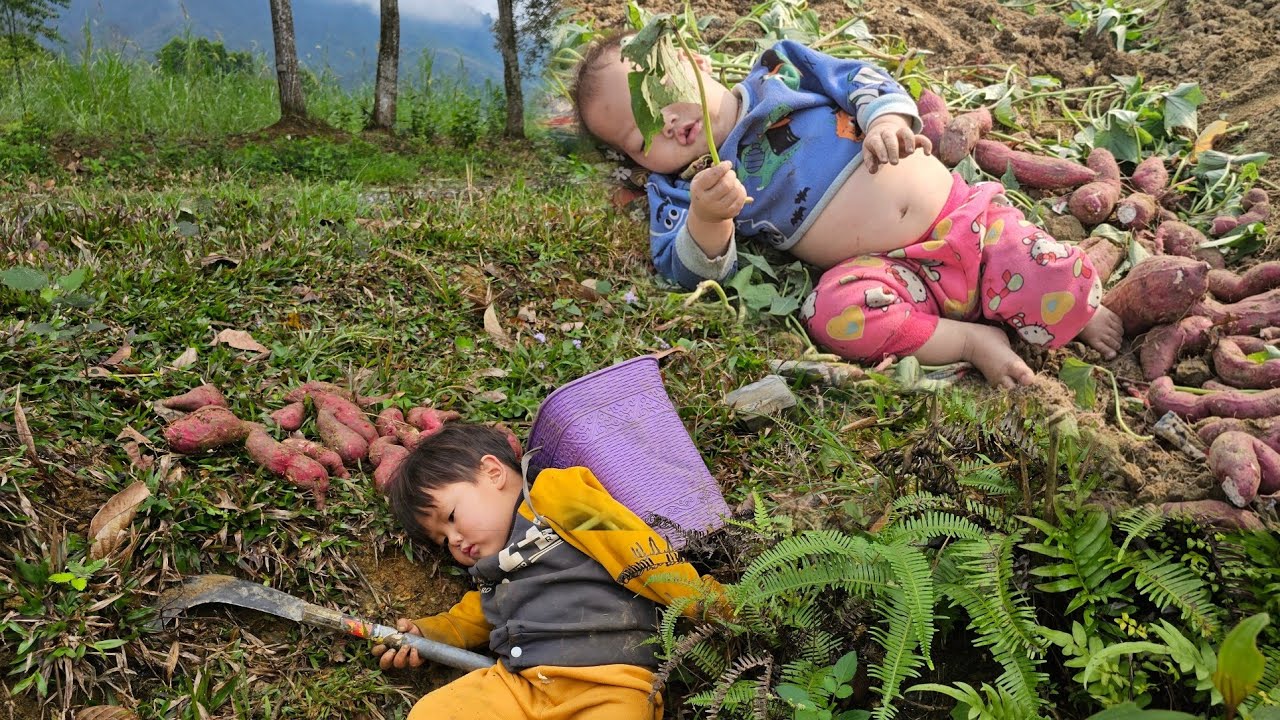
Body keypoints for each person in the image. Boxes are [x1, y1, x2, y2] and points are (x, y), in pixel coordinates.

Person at [571, 33, 1124, 389]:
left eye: (659, 92)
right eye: (640, 135)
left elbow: (861, 79)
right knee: (833, 312)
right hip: (894, 275)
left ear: (694, 61)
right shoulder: (684, 187)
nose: (663, 123)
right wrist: (709, 219)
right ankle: (969, 340)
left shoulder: (779, 71)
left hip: (965, 219)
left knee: (1045, 267)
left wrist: (885, 122)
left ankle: (1078, 309)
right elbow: (679, 265)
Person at [371, 422, 723, 720]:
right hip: (521, 687)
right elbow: (476, 614)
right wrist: (429, 633)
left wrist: (707, 601)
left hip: (609, 685)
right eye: (442, 539)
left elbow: (631, 548)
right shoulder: (493, 571)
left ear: (493, 472)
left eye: (450, 518)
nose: (455, 540)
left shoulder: (555, 496)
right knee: (434, 712)